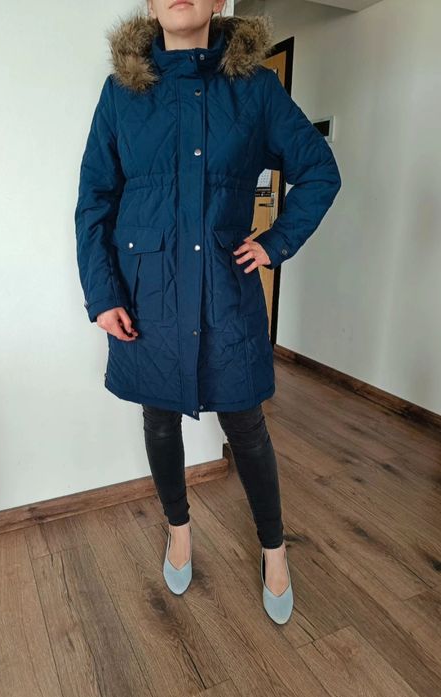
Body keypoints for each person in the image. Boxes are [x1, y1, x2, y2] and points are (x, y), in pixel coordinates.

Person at [74, 0, 342, 625]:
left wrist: (276, 242)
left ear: (219, 0)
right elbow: (94, 201)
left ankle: (274, 549)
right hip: (147, 295)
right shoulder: (121, 94)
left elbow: (319, 171)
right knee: (159, 418)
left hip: (225, 290)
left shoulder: (256, 89)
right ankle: (178, 530)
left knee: (245, 425)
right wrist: (103, 294)